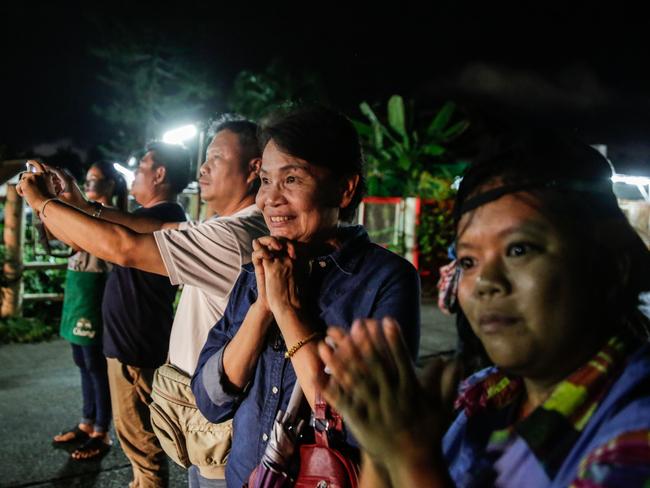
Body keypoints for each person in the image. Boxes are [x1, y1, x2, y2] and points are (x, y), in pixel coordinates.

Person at [318, 132, 650, 487]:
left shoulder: (634, 435)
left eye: (520, 249)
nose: (485, 282)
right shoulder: (484, 395)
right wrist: (379, 444)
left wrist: (410, 456)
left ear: (612, 262)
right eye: (469, 261)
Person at [18, 117, 267, 487]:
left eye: (216, 157)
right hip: (208, 416)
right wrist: (82, 205)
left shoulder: (235, 235)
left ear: (253, 169)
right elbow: (150, 229)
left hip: (218, 426)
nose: (203, 167)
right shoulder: (228, 227)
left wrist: (42, 203)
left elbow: (123, 246)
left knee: (155, 462)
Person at [191, 106, 422, 488]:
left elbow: (363, 424)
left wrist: (286, 309)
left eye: (292, 179)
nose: (271, 199)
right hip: (245, 479)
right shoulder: (258, 271)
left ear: (345, 189)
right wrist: (263, 306)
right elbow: (211, 400)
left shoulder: (386, 280)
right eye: (265, 180)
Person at [19, 141, 190, 488]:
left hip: (136, 345)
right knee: (135, 438)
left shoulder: (166, 216)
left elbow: (93, 239)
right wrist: (66, 201)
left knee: (141, 440)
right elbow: (87, 229)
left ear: (160, 174)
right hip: (130, 341)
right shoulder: (146, 217)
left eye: (141, 166)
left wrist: (44, 202)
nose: (134, 174)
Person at [52, 161, 128, 460]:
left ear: (111, 184)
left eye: (97, 179)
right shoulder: (83, 210)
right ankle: (86, 422)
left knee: (96, 365)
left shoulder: (110, 216)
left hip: (97, 289)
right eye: (88, 179)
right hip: (78, 290)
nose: (91, 184)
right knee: (82, 361)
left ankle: (101, 430)